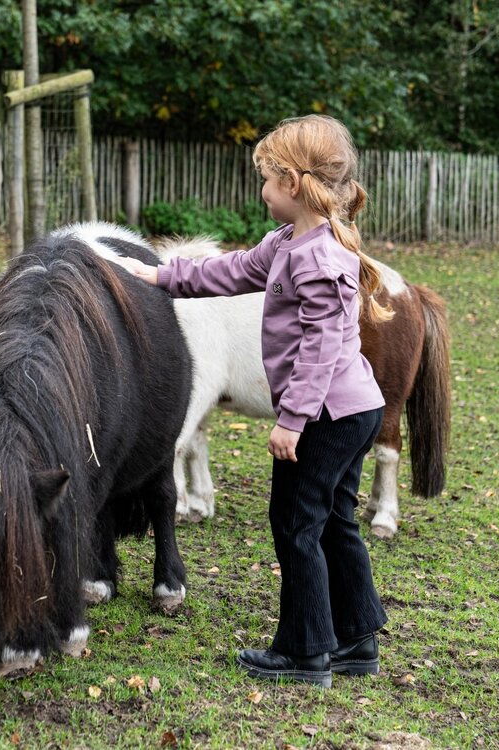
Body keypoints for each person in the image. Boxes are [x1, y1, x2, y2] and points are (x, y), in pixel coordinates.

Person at [116, 114, 392, 688]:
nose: (262, 192)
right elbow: (232, 269)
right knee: (336, 521)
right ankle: (356, 640)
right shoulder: (294, 242)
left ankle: (305, 651)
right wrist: (160, 274)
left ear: (291, 182)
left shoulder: (317, 259)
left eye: (266, 180)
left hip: (329, 415)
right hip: (351, 408)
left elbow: (320, 350)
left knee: (296, 524)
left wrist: (291, 420)